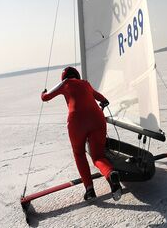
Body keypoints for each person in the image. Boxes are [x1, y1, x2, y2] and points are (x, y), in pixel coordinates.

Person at [41, 66, 122, 202]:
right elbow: (103, 99)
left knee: (79, 153)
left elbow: (46, 97)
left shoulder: (65, 83)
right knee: (97, 156)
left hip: (77, 123)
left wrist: (42, 93)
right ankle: (110, 174)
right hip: (97, 119)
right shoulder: (85, 83)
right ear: (77, 75)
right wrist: (103, 101)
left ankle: (89, 190)